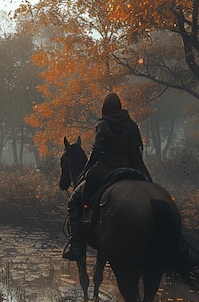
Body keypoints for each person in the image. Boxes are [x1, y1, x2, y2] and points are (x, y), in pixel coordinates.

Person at [63, 92, 152, 261]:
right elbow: (136, 150)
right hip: (131, 166)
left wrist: (88, 166)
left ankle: (76, 246)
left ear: (105, 108)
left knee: (74, 200)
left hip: (107, 168)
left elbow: (97, 150)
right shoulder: (132, 125)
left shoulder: (103, 124)